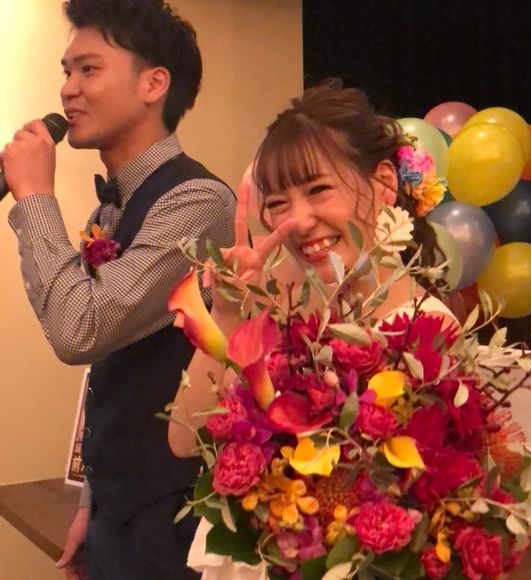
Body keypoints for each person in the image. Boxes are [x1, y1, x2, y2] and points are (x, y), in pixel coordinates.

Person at [165, 81, 454, 577]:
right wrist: (229, 311)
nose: (298, 221)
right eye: (278, 203)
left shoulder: (428, 329)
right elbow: (184, 439)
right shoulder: (274, 297)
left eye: (318, 190)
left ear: (384, 184)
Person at [1, 1, 235, 578]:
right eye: (66, 71)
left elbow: (79, 330)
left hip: (172, 519)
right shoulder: (113, 208)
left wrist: (35, 197)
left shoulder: (197, 202)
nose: (67, 90)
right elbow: (110, 361)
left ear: (154, 83)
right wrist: (93, 501)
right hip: (120, 510)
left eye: (89, 69)